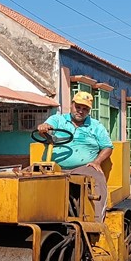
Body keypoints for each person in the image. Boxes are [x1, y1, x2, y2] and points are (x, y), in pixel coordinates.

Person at [36, 91, 113, 221]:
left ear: (89, 111)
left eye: (85, 109)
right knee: (26, 176)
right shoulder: (58, 119)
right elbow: (47, 128)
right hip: (55, 167)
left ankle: (96, 222)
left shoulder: (96, 126)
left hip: (83, 167)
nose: (80, 111)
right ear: (72, 105)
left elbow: (107, 146)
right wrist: (45, 127)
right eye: (78, 107)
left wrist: (97, 161)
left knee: (97, 179)